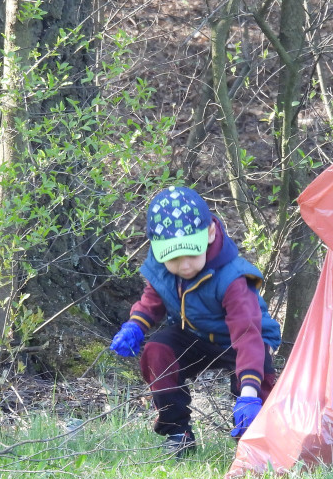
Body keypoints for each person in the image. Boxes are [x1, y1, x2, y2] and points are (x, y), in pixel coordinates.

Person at [109, 186, 281, 456]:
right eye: (174, 258)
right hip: (195, 336)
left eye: (192, 253)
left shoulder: (232, 279)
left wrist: (249, 394)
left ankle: (255, 441)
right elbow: (153, 299)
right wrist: (135, 325)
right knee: (158, 350)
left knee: (254, 376)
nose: (185, 265)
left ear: (210, 233)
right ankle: (178, 432)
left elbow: (247, 336)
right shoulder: (161, 267)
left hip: (243, 339)